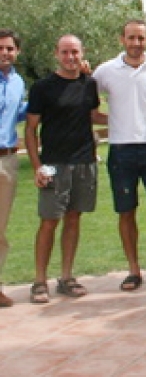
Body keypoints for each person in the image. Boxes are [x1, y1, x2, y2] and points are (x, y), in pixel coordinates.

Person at [92, 20, 146, 292]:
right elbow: (88, 108)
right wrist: (113, 119)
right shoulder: (105, 71)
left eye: (141, 38)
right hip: (121, 151)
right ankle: (134, 270)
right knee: (126, 211)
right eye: (131, 38)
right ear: (122, 39)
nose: (136, 43)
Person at [24, 35, 99, 303]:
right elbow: (31, 130)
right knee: (48, 221)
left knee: (74, 219)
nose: (70, 57)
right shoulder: (43, 88)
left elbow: (91, 117)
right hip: (54, 164)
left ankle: (66, 276)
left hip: (84, 162)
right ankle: (39, 280)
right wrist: (37, 167)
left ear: (82, 53)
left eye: (75, 52)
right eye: (65, 52)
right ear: (56, 54)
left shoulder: (90, 85)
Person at [0, 28, 26, 307]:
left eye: (9, 48)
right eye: (1, 48)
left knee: (0, 227)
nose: (5, 53)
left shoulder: (18, 81)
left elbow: (19, 112)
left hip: (8, 159)